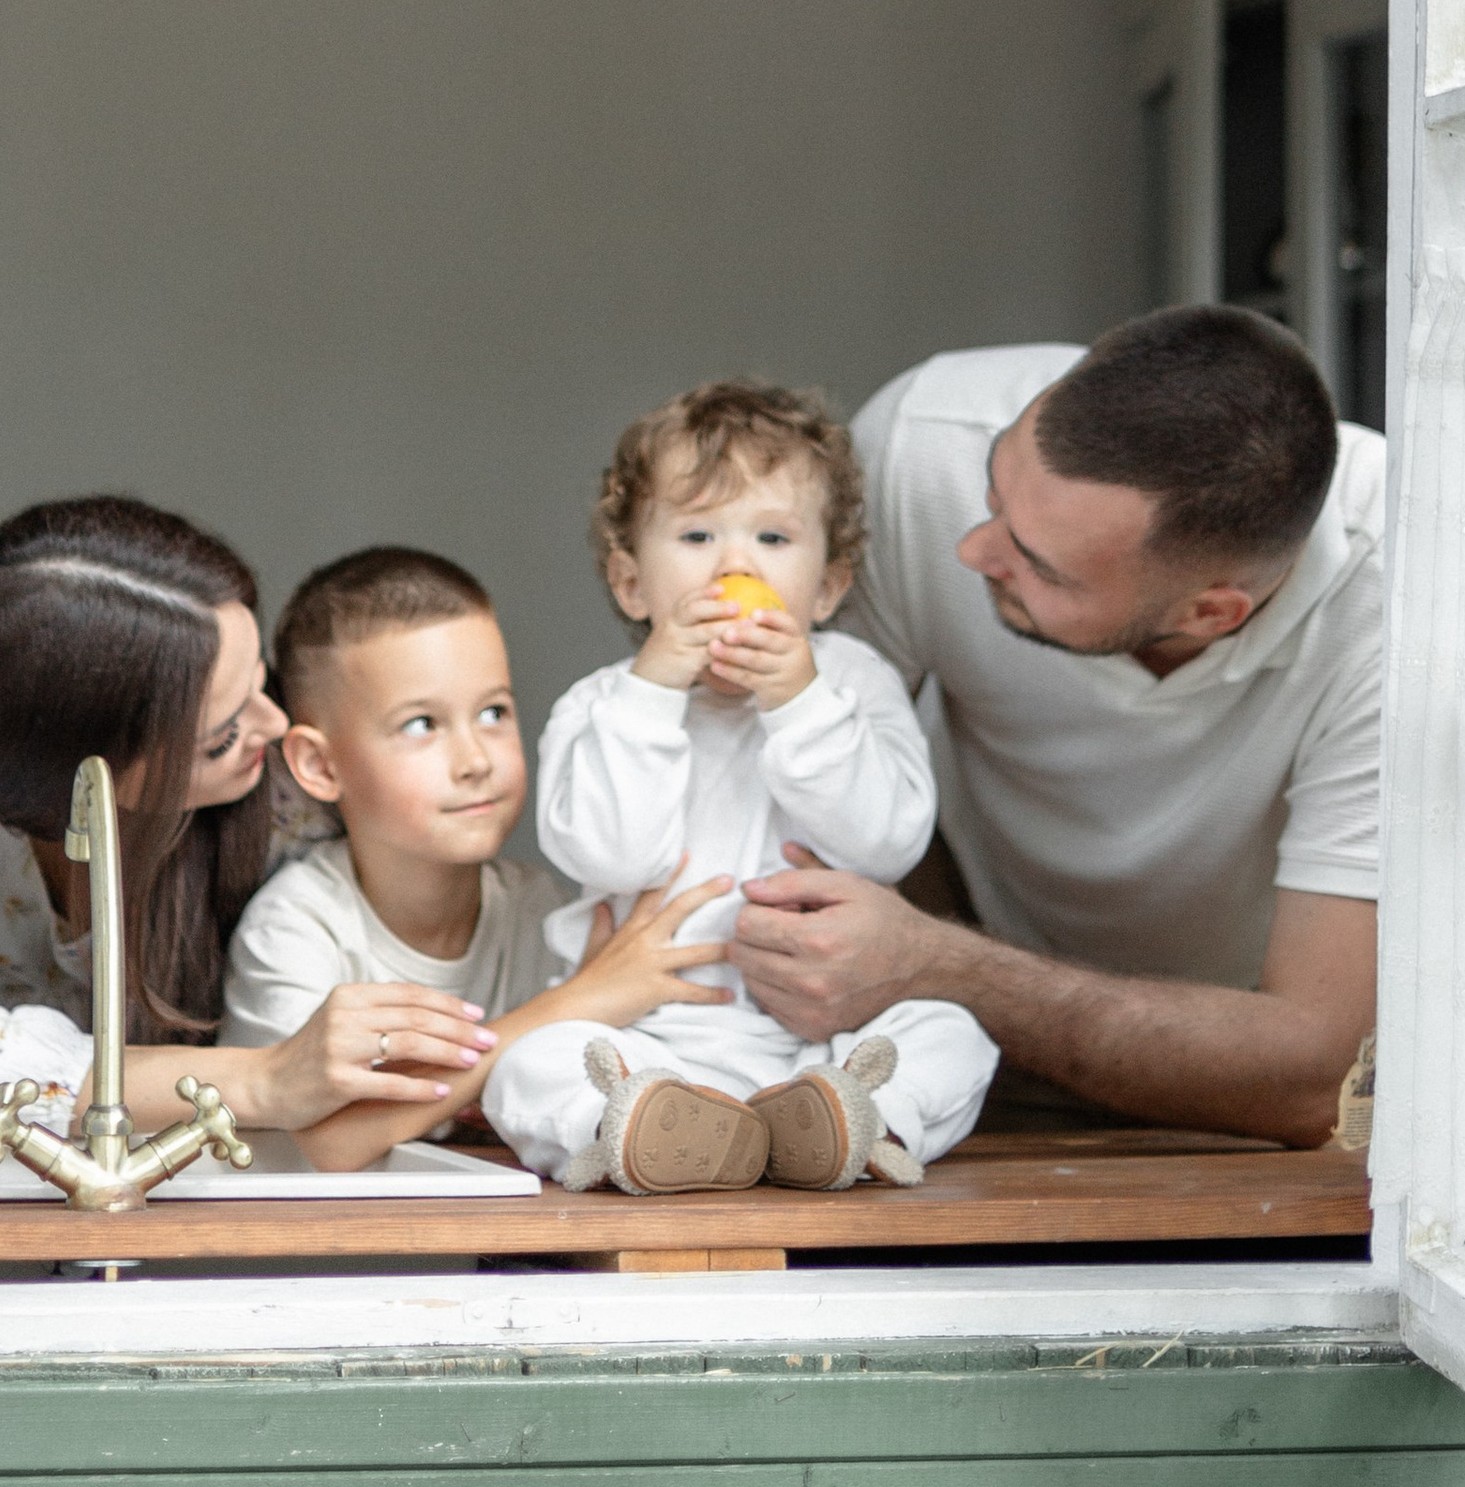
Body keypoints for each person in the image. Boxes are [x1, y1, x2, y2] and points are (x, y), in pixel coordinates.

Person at [729, 308, 1380, 1151]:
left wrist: (941, 964)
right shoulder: (924, 442)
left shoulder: (1407, 598)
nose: (973, 551)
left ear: (1209, 613)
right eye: (993, 493)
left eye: (1039, 564)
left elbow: (1313, 1077)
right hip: (947, 1047)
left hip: (1236, 1095)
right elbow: (811, 786)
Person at [0, 495, 501, 1145]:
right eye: (221, 737)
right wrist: (264, 1079)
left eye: (260, 680)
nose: (276, 724)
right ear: (81, 779)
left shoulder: (285, 776)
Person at [482, 382, 999, 1194]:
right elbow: (612, 855)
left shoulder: (853, 683)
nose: (735, 565)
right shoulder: (604, 704)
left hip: (827, 1038)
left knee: (953, 1034)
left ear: (828, 587)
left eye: (772, 536)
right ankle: (638, 1128)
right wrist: (654, 689)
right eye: (696, 535)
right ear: (631, 583)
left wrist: (798, 701)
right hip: (652, 1038)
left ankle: (853, 1121)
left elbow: (887, 844)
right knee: (527, 1065)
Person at [220, 544, 736, 1168]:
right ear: (321, 766)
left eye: (493, 713)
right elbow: (330, 1138)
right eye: (422, 725)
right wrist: (577, 1000)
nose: (475, 761)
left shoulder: (538, 910)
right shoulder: (295, 928)